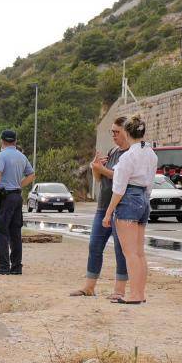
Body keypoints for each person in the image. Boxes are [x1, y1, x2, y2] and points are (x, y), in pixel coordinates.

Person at [73, 116, 129, 298]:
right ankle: (89, 287)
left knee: (121, 250)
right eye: (111, 131)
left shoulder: (130, 154)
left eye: (116, 132)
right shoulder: (112, 151)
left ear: (126, 132)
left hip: (121, 208)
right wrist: (95, 168)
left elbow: (121, 177)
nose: (113, 135)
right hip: (102, 207)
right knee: (94, 246)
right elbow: (100, 180)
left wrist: (101, 169)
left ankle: (119, 291)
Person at [102, 114, 155, 303]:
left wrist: (108, 213)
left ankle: (134, 294)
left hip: (128, 199)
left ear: (126, 132)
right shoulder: (151, 154)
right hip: (143, 198)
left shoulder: (127, 157)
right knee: (140, 252)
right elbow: (149, 184)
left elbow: (118, 189)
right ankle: (140, 293)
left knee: (129, 252)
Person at [0, 129, 34, 275]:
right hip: (17, 196)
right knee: (15, 232)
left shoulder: (1, 155)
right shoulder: (21, 156)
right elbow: (31, 175)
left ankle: (2, 266)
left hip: (4, 197)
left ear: (2, 141)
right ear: (15, 141)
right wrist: (19, 184)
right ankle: (16, 266)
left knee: (0, 230)